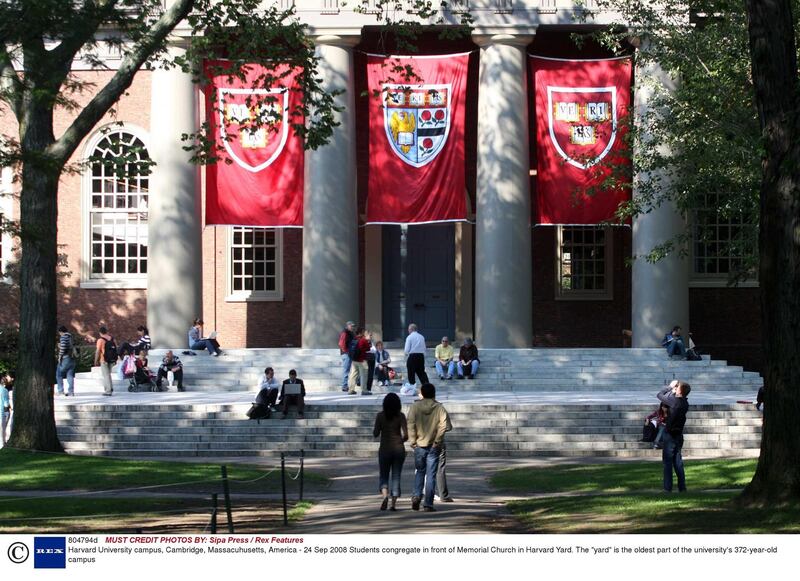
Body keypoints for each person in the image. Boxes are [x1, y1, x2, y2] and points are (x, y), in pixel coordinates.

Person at [407, 383, 450, 512]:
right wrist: (437, 440)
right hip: (433, 445)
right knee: (431, 474)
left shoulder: (415, 406)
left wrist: (412, 440)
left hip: (419, 444)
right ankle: (428, 504)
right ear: (433, 393)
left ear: (422, 393)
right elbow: (444, 425)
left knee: (420, 472)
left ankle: (416, 495)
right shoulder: (439, 407)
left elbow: (410, 423)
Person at [373, 392, 408, 511]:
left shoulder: (380, 416)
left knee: (384, 475)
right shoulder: (401, 416)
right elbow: (406, 435)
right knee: (396, 476)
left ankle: (384, 497)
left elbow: (375, 433)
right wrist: (400, 441)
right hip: (398, 449)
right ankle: (393, 504)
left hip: (384, 449)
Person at [657, 379, 691, 493]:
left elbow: (660, 395)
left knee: (667, 462)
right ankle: (682, 487)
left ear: (680, 391)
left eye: (678, 387)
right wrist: (674, 391)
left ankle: (667, 488)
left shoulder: (674, 402)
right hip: (678, 435)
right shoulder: (685, 403)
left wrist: (670, 387)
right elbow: (673, 399)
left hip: (670, 434)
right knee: (678, 462)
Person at [348, 327, 372, 396]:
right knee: (363, 375)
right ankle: (364, 390)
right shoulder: (363, 340)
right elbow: (368, 348)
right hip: (362, 360)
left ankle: (351, 390)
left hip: (354, 360)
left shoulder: (355, 338)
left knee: (353, 375)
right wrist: (368, 341)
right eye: (370, 335)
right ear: (363, 334)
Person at [93, 325, 116, 396]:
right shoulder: (112, 339)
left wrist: (95, 360)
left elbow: (98, 351)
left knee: (106, 375)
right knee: (108, 374)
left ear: (100, 333)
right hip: (112, 359)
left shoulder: (100, 340)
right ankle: (110, 388)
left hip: (104, 360)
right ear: (106, 332)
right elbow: (115, 349)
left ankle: (108, 391)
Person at [56, 325, 77, 396]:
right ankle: (71, 391)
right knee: (70, 375)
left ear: (61, 332)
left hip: (65, 358)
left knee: (59, 374)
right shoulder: (71, 337)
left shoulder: (63, 337)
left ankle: (60, 391)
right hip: (72, 358)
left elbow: (63, 348)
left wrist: (59, 357)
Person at [338, 321, 356, 393]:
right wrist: (346, 352)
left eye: (353, 326)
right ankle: (344, 386)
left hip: (349, 354)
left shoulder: (350, 333)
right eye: (351, 326)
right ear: (348, 326)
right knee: (346, 370)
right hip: (346, 354)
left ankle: (346, 385)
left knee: (349, 370)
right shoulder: (345, 333)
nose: (353, 327)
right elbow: (341, 343)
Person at [1, 373, 12, 447]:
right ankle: (3, 443)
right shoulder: (4, 390)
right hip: (2, 412)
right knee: (3, 430)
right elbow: (6, 404)